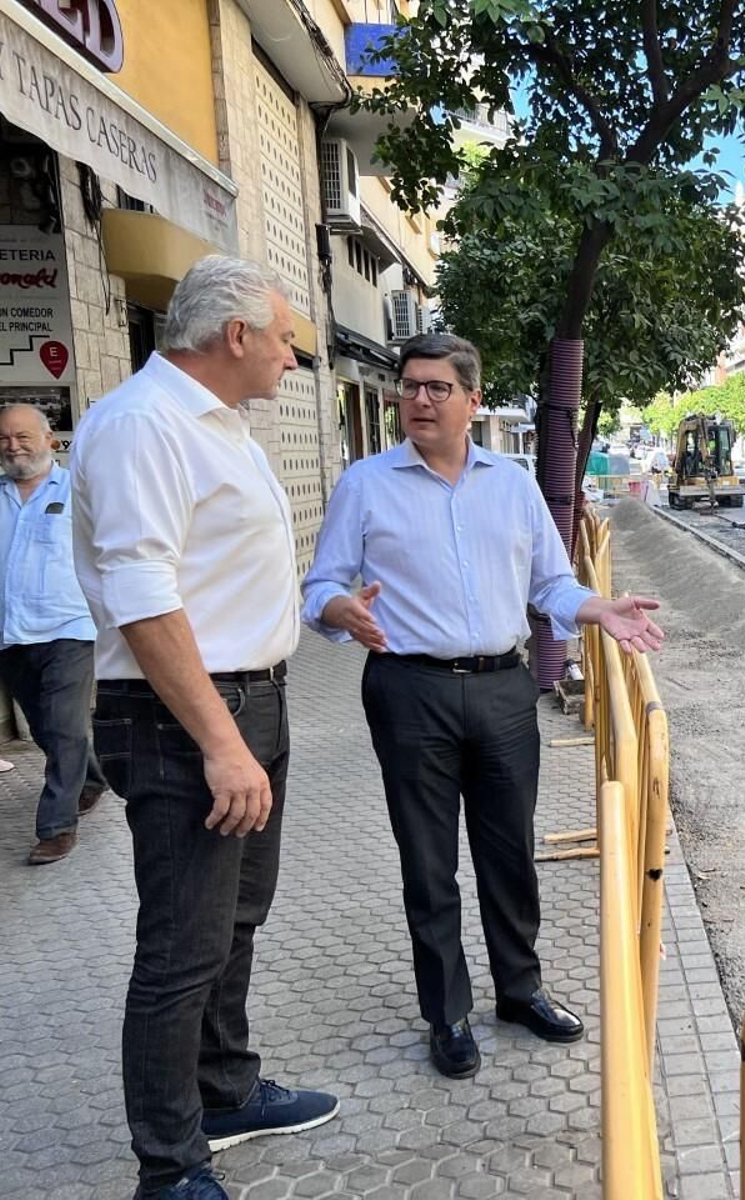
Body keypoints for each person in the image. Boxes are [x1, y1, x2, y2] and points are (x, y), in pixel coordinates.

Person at [302, 333, 665, 1082]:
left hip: (504, 688)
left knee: (508, 852)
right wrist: (341, 610)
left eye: (437, 388)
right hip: (409, 691)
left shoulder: (512, 484)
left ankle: (519, 989)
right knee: (428, 863)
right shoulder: (365, 485)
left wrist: (599, 608)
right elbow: (318, 589)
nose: (419, 400)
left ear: (473, 400)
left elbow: (551, 586)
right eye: (409, 387)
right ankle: (447, 1013)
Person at [71, 256, 338, 1200]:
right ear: (235, 336)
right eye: (285, 342)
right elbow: (144, 600)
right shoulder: (144, 426)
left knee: (237, 917)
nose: (292, 363)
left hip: (250, 700)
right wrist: (221, 742)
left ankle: (224, 1091)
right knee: (182, 948)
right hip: (188, 715)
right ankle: (170, 1164)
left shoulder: (219, 424)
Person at [0, 404, 107, 865]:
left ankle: (56, 827)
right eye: (4, 439)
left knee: (64, 725)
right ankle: (93, 778)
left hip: (69, 627)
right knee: (46, 727)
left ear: (50, 441)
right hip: (10, 632)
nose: (13, 447)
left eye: (23, 437)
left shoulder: (80, 492)